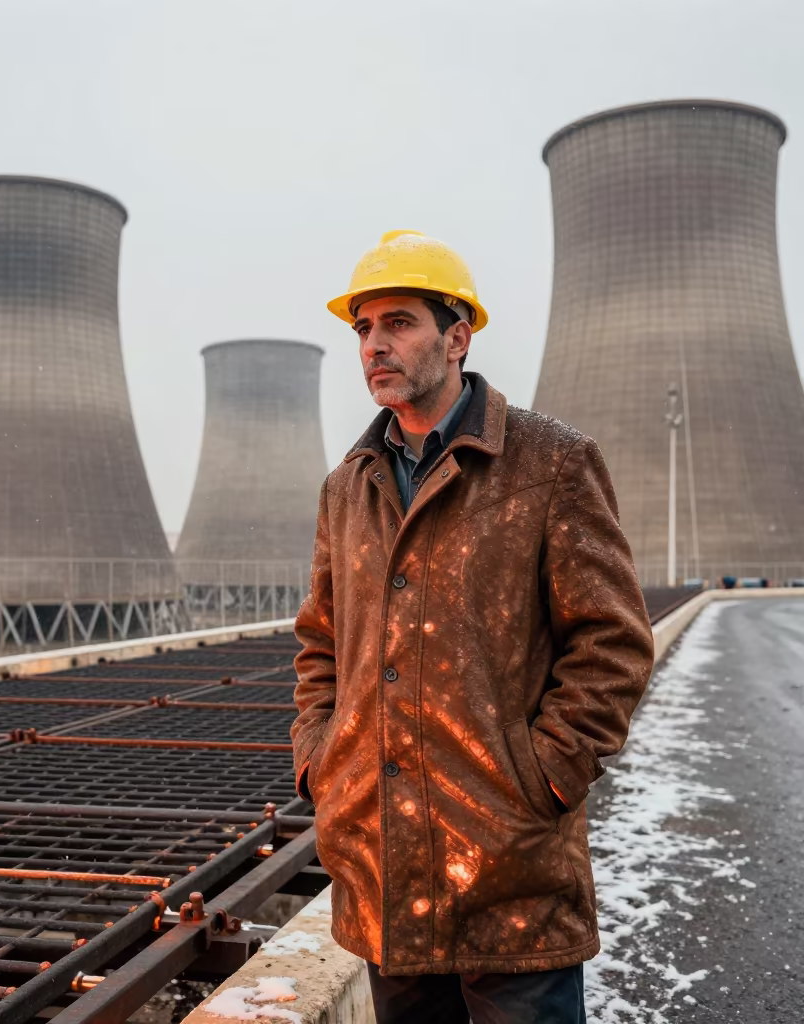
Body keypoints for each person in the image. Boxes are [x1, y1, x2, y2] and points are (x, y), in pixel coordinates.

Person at [291, 231, 655, 1023]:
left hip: (510, 875)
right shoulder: (347, 488)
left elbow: (613, 642)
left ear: (457, 338)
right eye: (363, 328)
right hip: (383, 870)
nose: (375, 345)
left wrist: (544, 777)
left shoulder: (549, 463)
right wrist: (323, 763)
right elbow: (320, 643)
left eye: (399, 323)